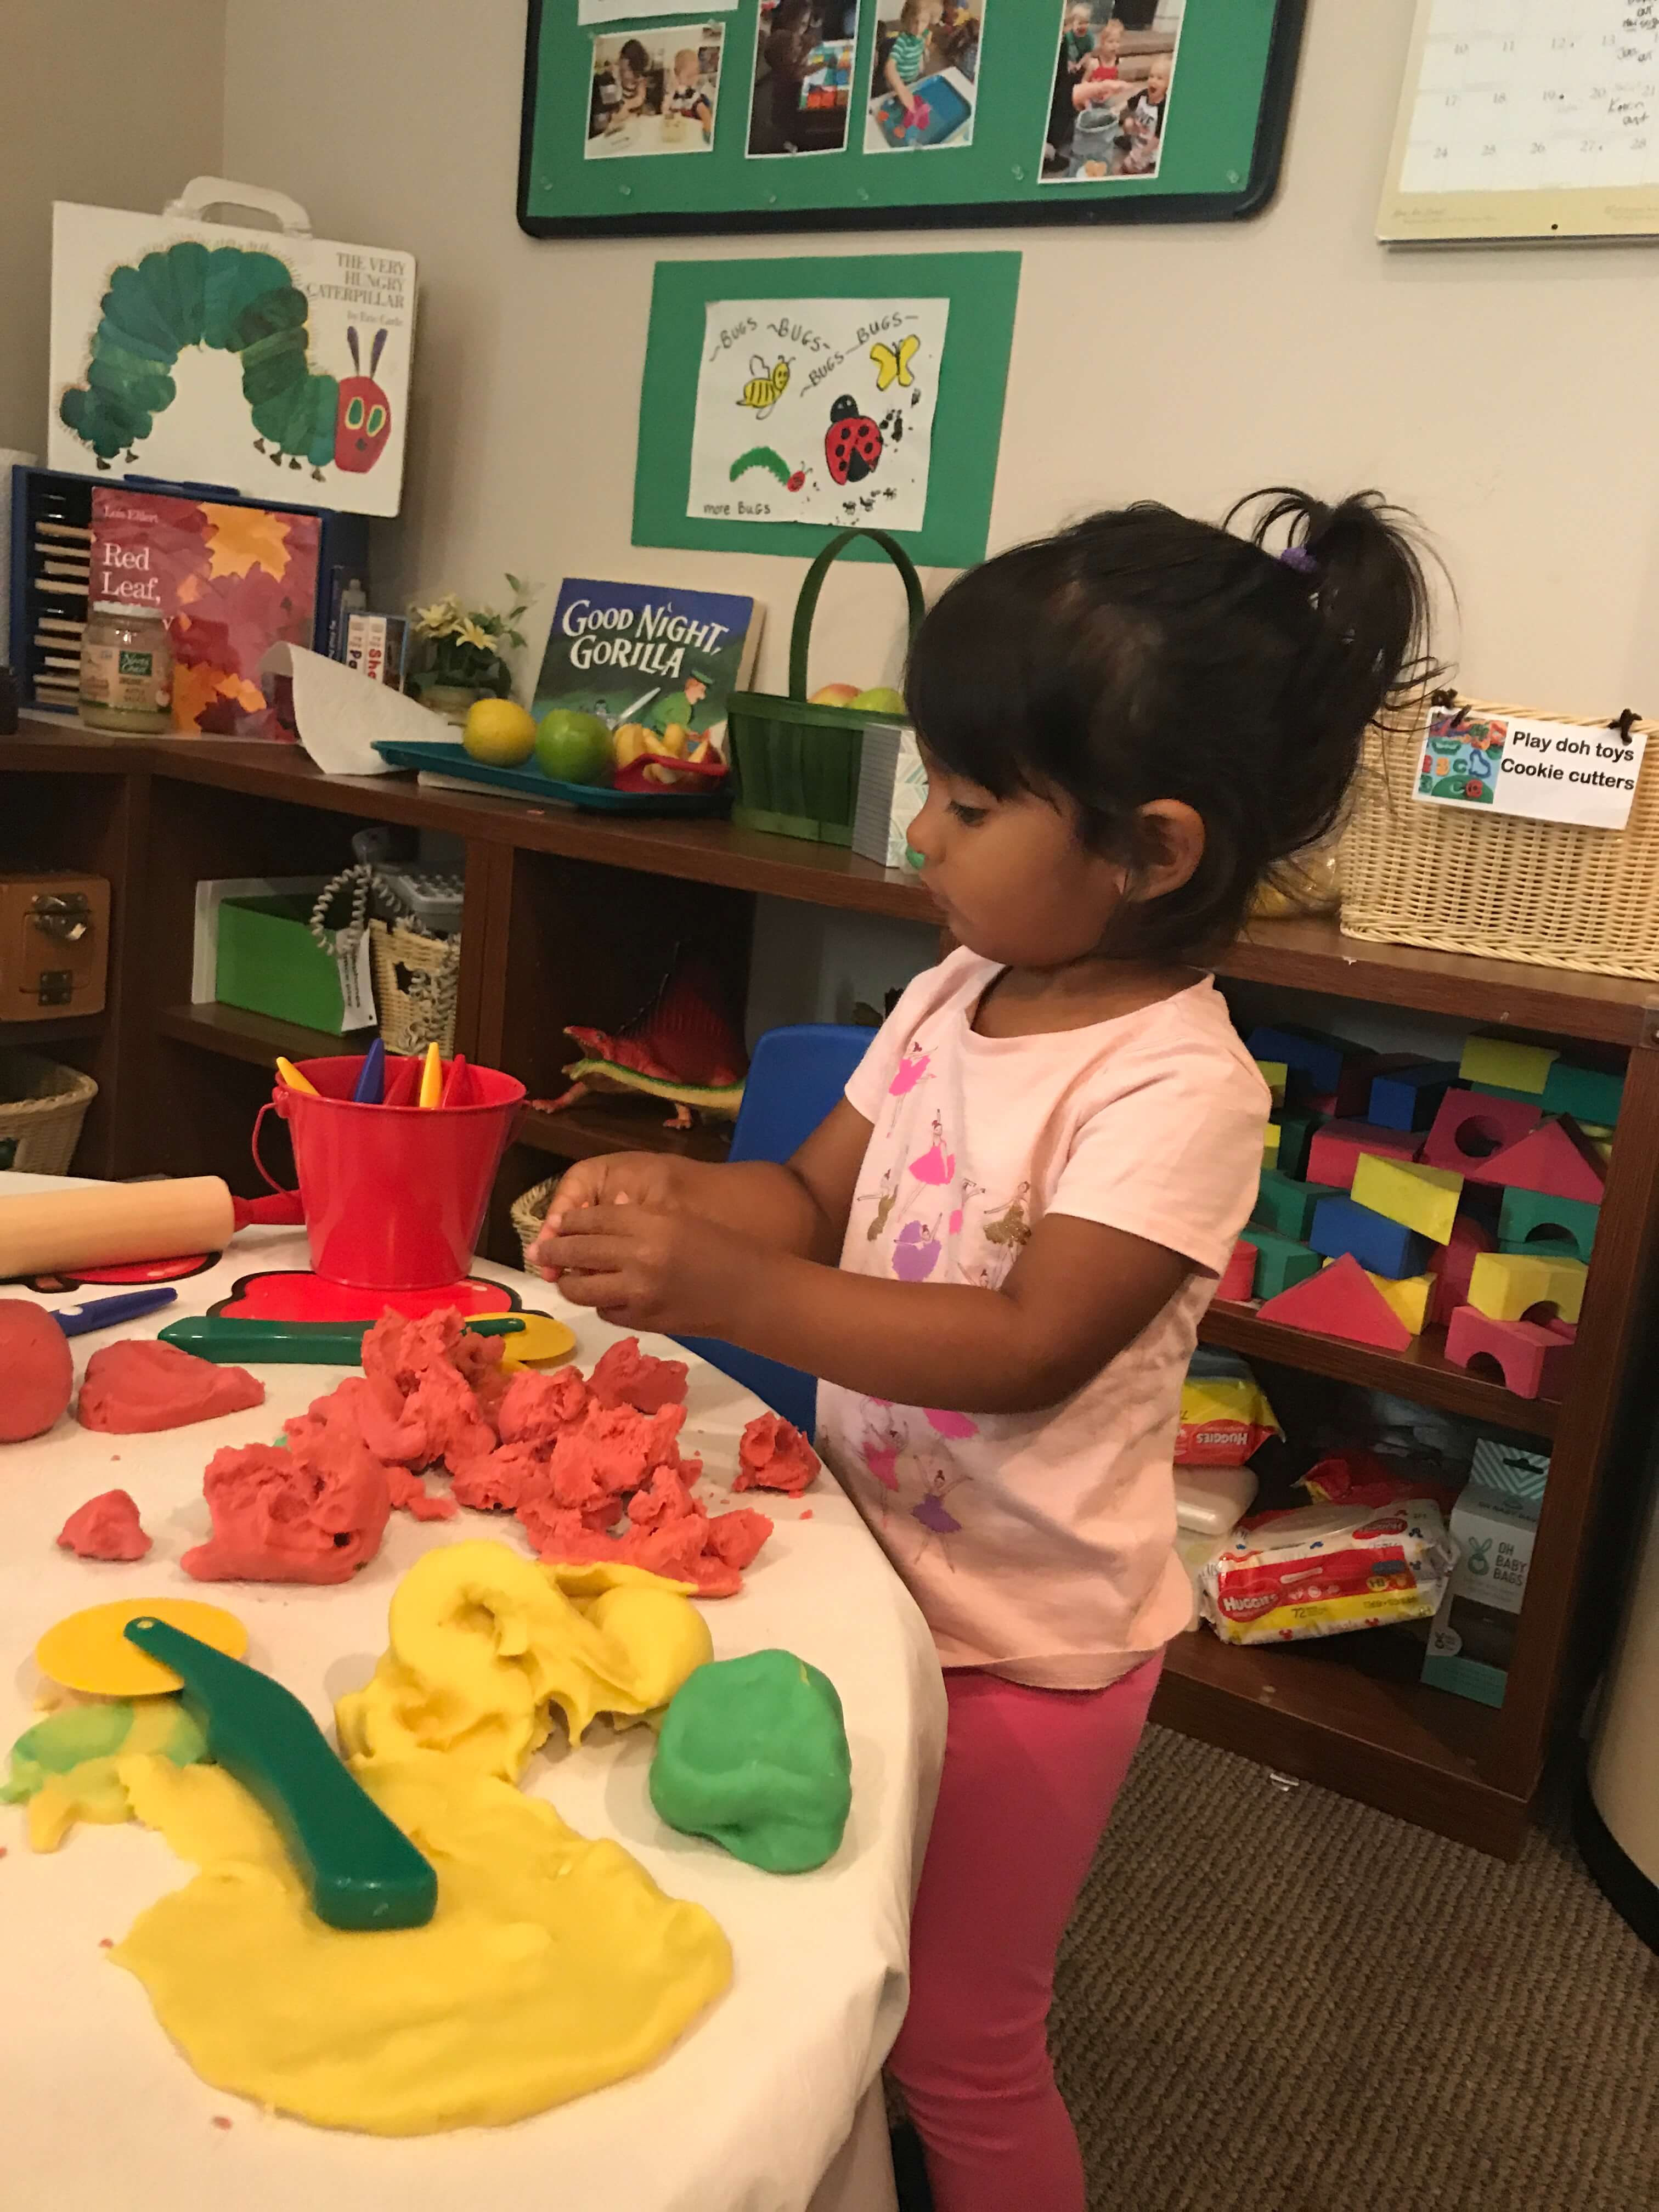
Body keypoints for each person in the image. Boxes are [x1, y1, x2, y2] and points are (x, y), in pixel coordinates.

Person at [529, 487, 1436, 2212]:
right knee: (830, 1953)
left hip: (1031, 1652)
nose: (920, 834)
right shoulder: (960, 991)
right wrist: (684, 1200)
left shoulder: (1179, 1089)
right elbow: (804, 1198)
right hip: (866, 1578)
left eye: (967, 798)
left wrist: (738, 1299)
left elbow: (1029, 1349)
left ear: (1152, 851)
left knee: (962, 2040)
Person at [883, 0, 944, 114]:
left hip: (914, 77)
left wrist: (926, 48)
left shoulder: (925, 33)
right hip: (898, 82)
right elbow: (890, 67)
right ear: (907, 19)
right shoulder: (903, 40)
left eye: (924, 22)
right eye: (915, 22)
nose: (919, 27)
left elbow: (927, 39)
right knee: (898, 108)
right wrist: (901, 89)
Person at [1073, 12, 1125, 108]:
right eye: (1111, 42)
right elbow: (1084, 81)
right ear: (1102, 43)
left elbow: (1116, 83)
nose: (1115, 45)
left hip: (1107, 98)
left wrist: (1110, 93)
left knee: (1113, 108)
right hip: (1093, 97)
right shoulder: (1095, 63)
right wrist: (1093, 86)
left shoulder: (1117, 63)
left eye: (1118, 42)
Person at [664, 47, 713, 138]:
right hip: (677, 132)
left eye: (696, 74)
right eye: (689, 76)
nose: (694, 79)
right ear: (676, 75)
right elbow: (665, 112)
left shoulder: (693, 95)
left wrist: (708, 132)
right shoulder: (672, 94)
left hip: (692, 134)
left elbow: (705, 114)